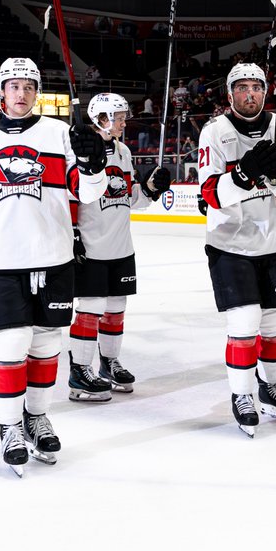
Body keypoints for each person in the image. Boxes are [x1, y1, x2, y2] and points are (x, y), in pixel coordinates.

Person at [0, 57, 108, 475]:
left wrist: (94, 164)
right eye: (13, 86)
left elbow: (88, 193)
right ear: (1, 91)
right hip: (0, 260)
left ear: (38, 93)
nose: (21, 94)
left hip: (53, 257)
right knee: (10, 344)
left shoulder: (60, 134)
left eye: (29, 87)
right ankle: (9, 427)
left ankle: (36, 417)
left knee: (47, 343)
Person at [197, 63, 276, 437]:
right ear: (230, 95)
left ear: (265, 91)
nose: (249, 94)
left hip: (274, 243)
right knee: (244, 323)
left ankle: (270, 386)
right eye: (241, 88)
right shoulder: (214, 133)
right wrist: (242, 176)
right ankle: (242, 394)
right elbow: (209, 193)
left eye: (256, 87)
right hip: (229, 243)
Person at [67, 93, 170, 402]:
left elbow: (127, 196)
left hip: (121, 245)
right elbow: (71, 196)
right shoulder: (80, 151)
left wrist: (150, 188)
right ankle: (79, 370)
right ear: (101, 119)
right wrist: (71, 234)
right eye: (119, 117)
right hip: (91, 245)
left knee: (115, 310)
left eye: (124, 116)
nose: (125, 122)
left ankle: (108, 363)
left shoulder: (124, 151)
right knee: (90, 310)